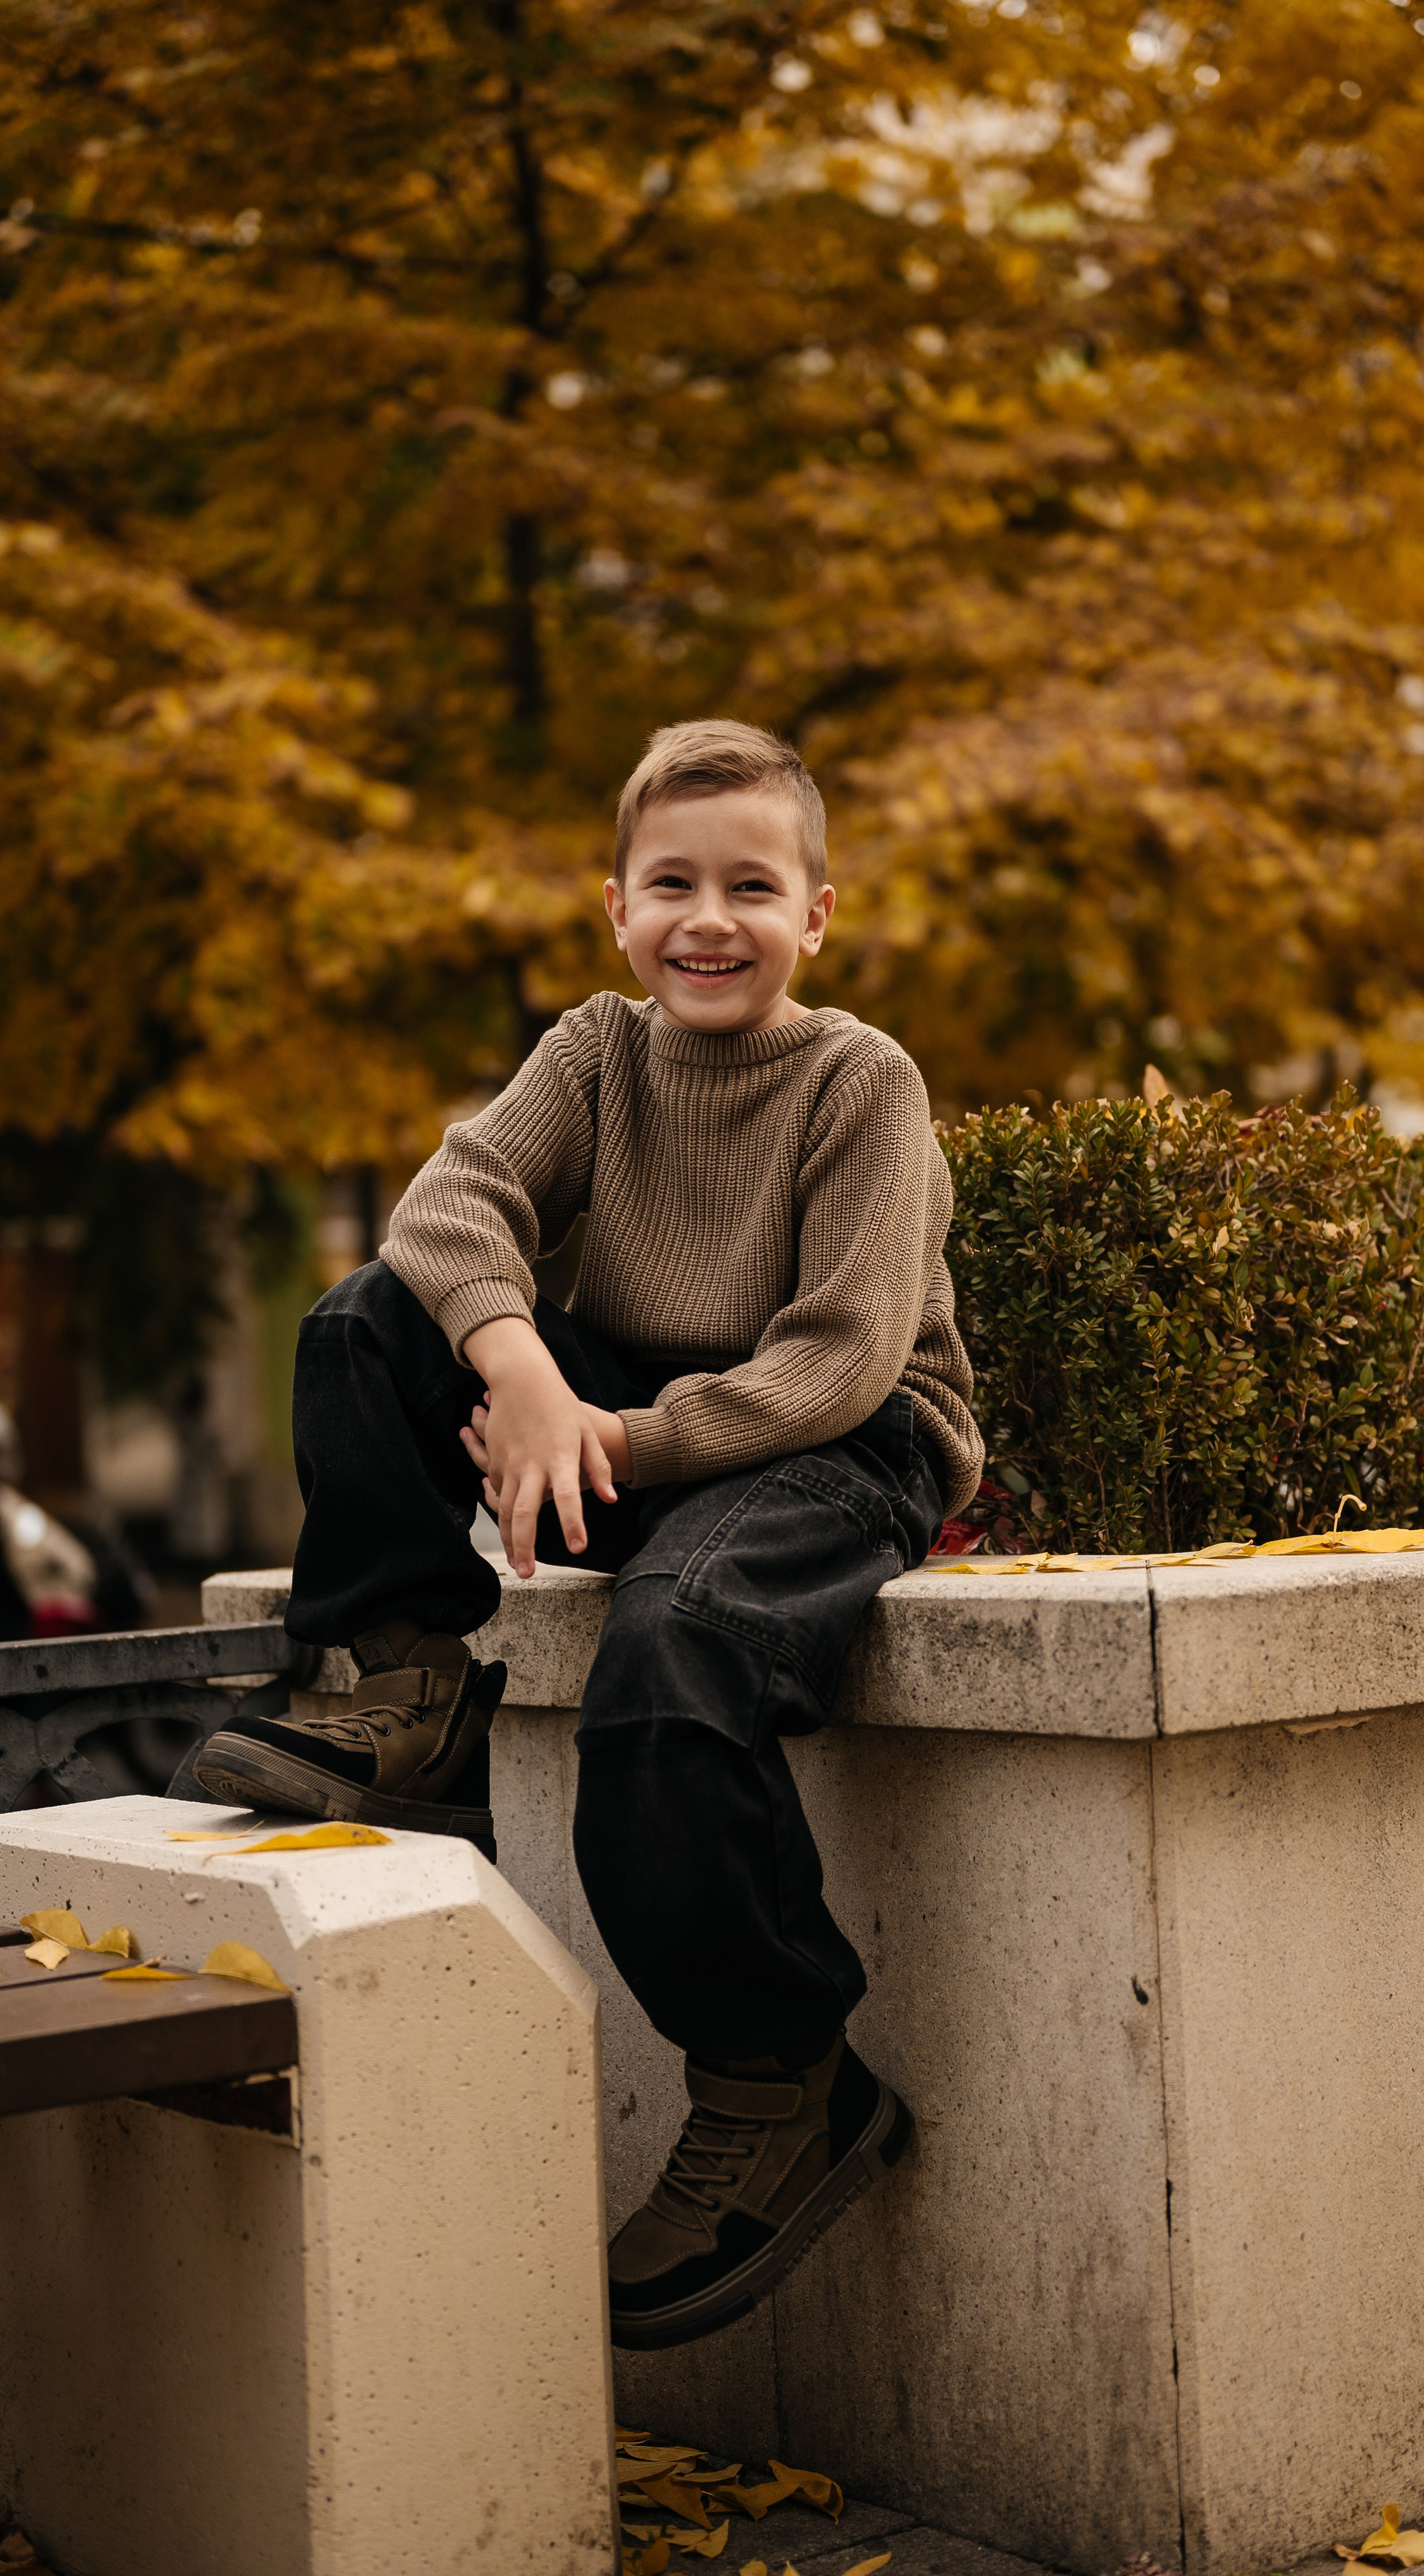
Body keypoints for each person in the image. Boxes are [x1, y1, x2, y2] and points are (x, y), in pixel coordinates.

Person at [195, 719, 983, 2350]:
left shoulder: (859, 1081)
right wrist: (525, 1375)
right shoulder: (592, 1053)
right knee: (362, 1322)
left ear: (816, 916)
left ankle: (783, 2079)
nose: (710, 918)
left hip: (844, 1449)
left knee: (671, 1653)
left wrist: (602, 1437)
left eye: (751, 886)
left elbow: (837, 1360)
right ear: (615, 909)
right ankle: (409, 1690)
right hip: (629, 1423)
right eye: (671, 884)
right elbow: (445, 1212)